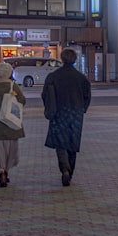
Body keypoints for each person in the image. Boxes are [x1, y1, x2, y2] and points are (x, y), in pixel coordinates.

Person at [41, 48, 91, 186]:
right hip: (76, 114)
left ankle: (64, 170)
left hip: (58, 113)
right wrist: (82, 109)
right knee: (72, 143)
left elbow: (45, 94)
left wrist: (49, 107)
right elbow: (87, 96)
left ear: (62, 59)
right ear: (74, 59)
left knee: (60, 143)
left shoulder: (54, 76)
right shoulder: (81, 78)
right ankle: (70, 171)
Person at [0, 62, 26, 187]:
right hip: (10, 122)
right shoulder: (13, 86)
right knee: (9, 149)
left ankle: (1, 171)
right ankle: (6, 170)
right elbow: (22, 101)